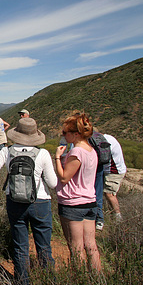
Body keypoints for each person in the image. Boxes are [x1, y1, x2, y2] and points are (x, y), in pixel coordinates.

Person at [0, 118, 57, 285]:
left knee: (20, 246)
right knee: (44, 246)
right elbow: (53, 183)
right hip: (40, 202)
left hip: (15, 201)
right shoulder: (42, 154)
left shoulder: (7, 151)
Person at [54, 113, 101, 271]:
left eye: (65, 132)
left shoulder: (76, 153)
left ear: (76, 134)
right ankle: (97, 281)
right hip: (89, 201)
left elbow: (64, 178)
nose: (64, 135)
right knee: (91, 246)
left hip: (73, 203)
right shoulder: (92, 151)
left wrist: (57, 158)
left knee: (76, 248)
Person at [103, 134, 126, 222]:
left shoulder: (105, 142)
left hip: (113, 171)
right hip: (109, 170)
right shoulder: (108, 138)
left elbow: (102, 157)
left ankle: (117, 217)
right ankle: (111, 213)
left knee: (110, 194)